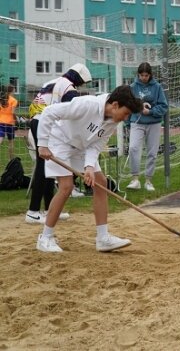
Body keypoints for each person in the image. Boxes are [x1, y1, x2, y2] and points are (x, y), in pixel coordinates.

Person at [34, 85, 143, 253]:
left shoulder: (113, 121)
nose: (126, 118)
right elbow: (50, 112)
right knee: (66, 187)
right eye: (126, 113)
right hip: (60, 141)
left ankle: (103, 238)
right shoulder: (88, 104)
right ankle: (45, 238)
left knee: (101, 181)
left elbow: (96, 144)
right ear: (115, 105)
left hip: (81, 147)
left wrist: (89, 167)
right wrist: (42, 144)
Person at [25, 63, 92, 224]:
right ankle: (33, 211)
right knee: (43, 166)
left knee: (49, 166)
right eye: (82, 82)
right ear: (78, 77)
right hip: (44, 124)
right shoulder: (68, 87)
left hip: (37, 121)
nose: (81, 85)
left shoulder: (52, 82)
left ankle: (50, 209)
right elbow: (75, 111)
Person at [126, 62, 168, 192]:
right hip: (137, 122)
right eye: (142, 75)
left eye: (146, 75)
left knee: (152, 152)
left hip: (153, 123)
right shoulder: (132, 87)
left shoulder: (157, 87)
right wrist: (128, 122)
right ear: (138, 74)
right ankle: (135, 179)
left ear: (150, 75)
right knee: (133, 148)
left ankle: (148, 180)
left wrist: (150, 112)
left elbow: (164, 106)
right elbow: (128, 105)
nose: (144, 77)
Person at [0, 85, 18, 160]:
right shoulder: (14, 100)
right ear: (12, 90)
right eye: (14, 89)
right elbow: (13, 112)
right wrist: (16, 119)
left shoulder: (1, 99)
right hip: (10, 123)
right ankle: (11, 159)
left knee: (0, 139)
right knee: (11, 142)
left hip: (1, 122)